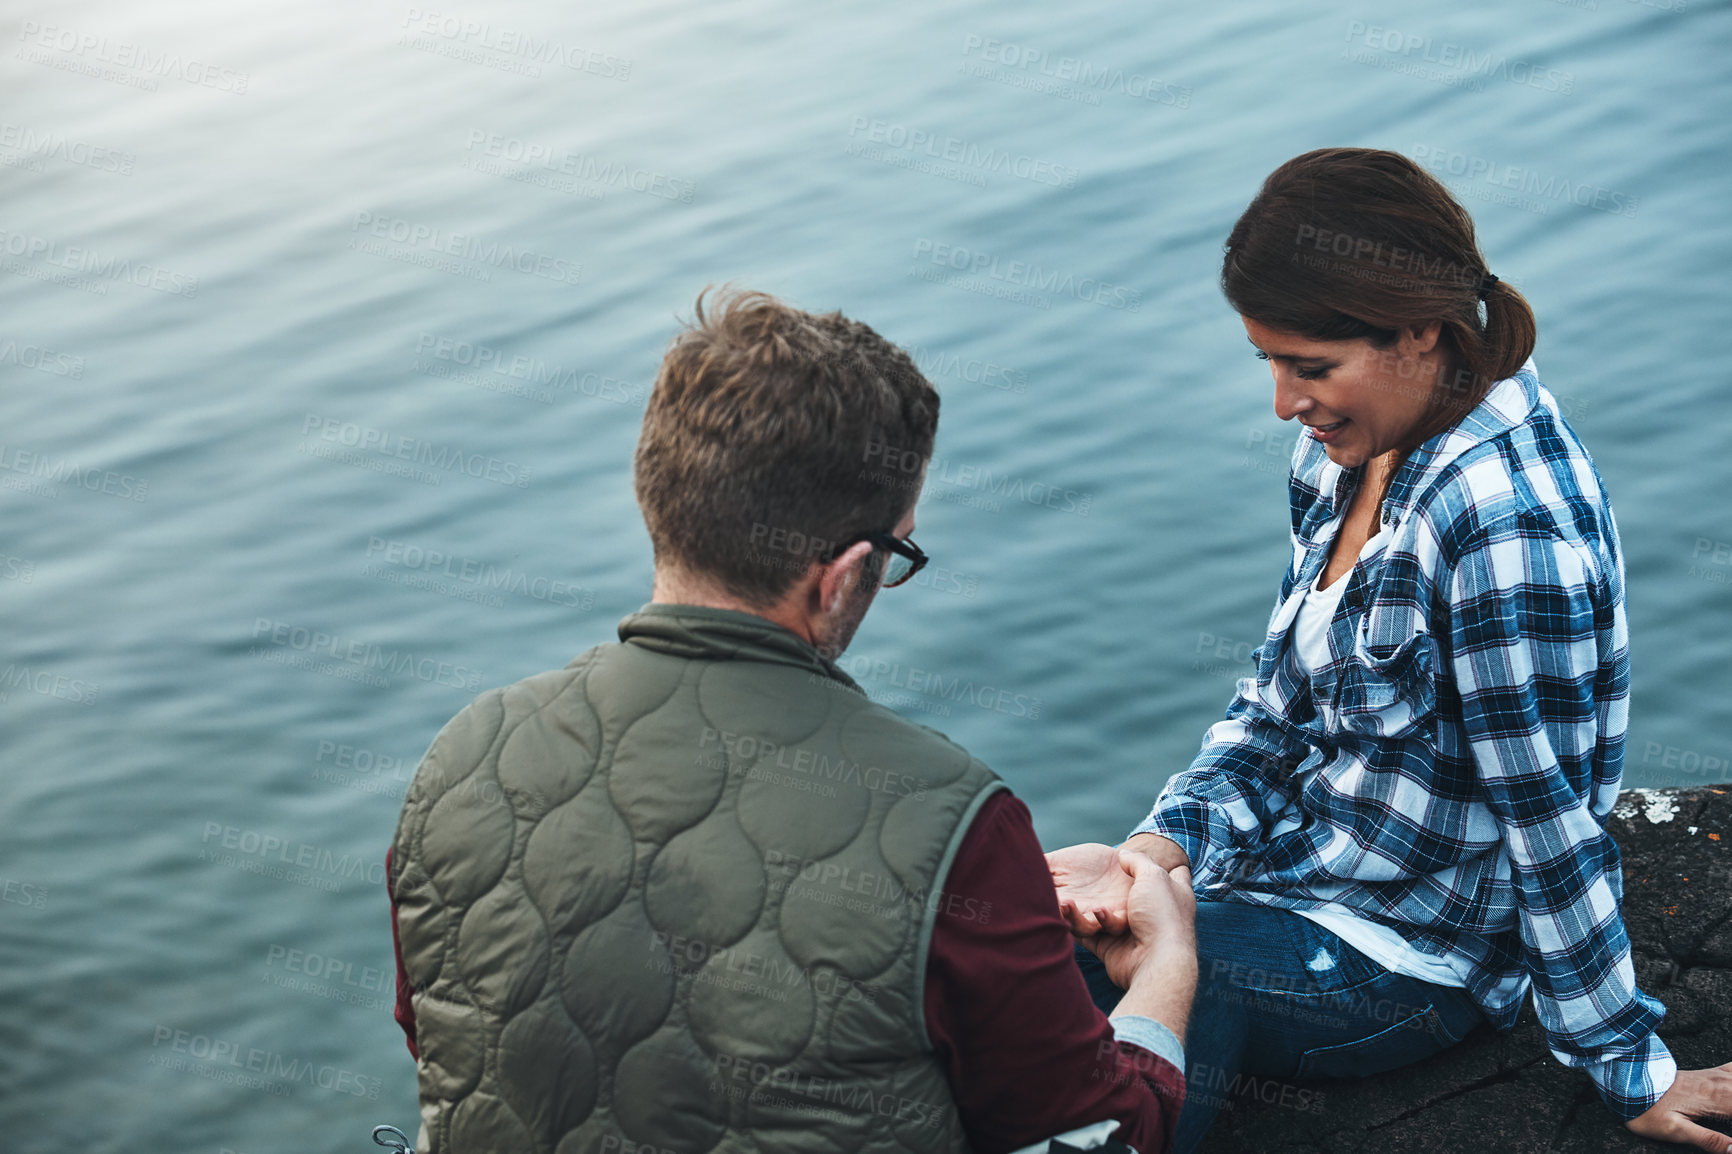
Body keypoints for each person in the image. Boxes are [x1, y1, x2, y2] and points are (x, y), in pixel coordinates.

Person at [386, 287, 1198, 1154]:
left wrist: (985, 903)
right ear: (845, 573)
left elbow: (439, 1034)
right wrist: (1166, 971)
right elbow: (1098, 1139)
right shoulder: (947, 809)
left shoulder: (460, 760)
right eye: (899, 552)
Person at [1048, 147, 1732, 1154]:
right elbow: (1274, 707)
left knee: (1173, 981)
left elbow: (1548, 825)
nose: (1284, 402)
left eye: (1310, 367)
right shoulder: (1346, 452)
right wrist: (1154, 849)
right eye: (1269, 363)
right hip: (1296, 873)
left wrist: (1626, 1064)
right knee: (1031, 929)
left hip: (1413, 957)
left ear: (1419, 330)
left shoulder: (1503, 534)